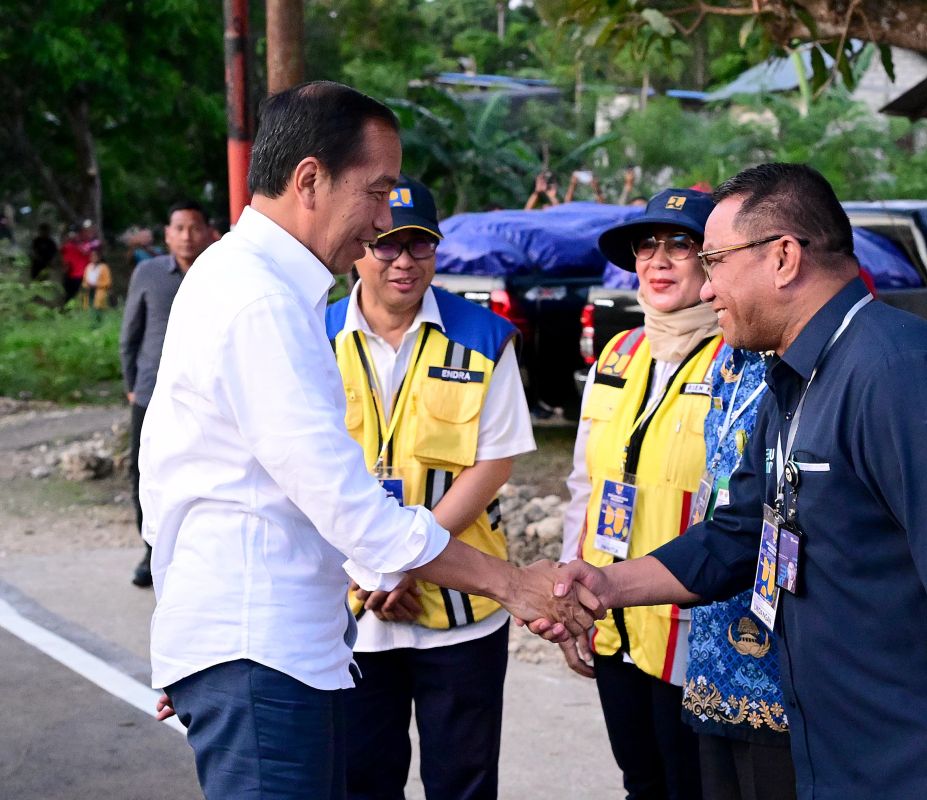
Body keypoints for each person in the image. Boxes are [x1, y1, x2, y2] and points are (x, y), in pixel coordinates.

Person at [544, 163, 927, 800]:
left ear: (783, 257)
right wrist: (605, 585)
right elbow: (737, 536)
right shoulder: (793, 378)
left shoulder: (897, 371)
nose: (707, 286)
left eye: (713, 260)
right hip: (849, 745)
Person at [138, 81, 599, 800]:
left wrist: (197, 637)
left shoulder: (254, 285)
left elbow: (177, 477)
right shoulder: (259, 300)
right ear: (310, 180)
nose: (385, 219)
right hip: (264, 650)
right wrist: (513, 584)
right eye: (377, 191)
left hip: (269, 644)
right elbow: (346, 503)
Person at [326, 176, 536, 800]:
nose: (402, 261)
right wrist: (378, 569)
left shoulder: (484, 336)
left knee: (464, 785)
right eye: (386, 245)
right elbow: (303, 470)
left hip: (462, 609)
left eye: (419, 245)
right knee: (362, 781)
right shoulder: (312, 335)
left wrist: (406, 564)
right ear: (360, 246)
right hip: (351, 604)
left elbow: (492, 463)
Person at [559, 187, 721, 800]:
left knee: (694, 787)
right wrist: (572, 597)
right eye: (647, 246)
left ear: (714, 261)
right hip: (613, 620)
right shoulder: (618, 354)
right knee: (641, 783)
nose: (658, 260)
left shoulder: (739, 362)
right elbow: (585, 485)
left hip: (694, 628)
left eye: (682, 245)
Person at [681, 342, 795, 800]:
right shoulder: (729, 359)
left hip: (781, 658)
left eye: (713, 265)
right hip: (714, 648)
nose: (710, 290)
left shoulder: (816, 363)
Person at [119, 200, 212, 588]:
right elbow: (131, 333)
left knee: (202, 470)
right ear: (167, 234)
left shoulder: (219, 271)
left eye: (195, 227)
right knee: (144, 471)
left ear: (208, 232)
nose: (187, 236)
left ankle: (196, 553)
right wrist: (130, 385)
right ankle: (151, 549)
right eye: (180, 228)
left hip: (204, 396)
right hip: (150, 391)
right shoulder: (148, 272)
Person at [60, 227, 91, 306]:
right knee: (69, 295)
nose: (76, 237)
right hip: (69, 275)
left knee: (78, 295)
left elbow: (86, 252)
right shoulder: (68, 246)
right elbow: (62, 251)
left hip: (81, 275)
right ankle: (67, 310)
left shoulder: (85, 245)